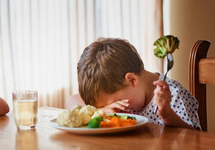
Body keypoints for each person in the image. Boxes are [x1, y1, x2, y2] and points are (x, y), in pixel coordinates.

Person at [67, 38, 201, 130]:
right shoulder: (124, 90)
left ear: (132, 80)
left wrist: (167, 115)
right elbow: (72, 100)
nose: (113, 107)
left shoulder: (173, 95)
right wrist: (99, 111)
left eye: (116, 102)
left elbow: (195, 139)